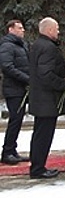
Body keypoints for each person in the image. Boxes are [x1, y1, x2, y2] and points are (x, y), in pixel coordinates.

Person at [28, 17, 65, 179]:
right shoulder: (48, 48)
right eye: (57, 28)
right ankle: (38, 168)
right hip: (47, 100)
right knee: (43, 135)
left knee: (39, 134)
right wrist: (63, 83)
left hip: (41, 98)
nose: (59, 31)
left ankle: (37, 165)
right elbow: (45, 74)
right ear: (49, 30)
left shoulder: (38, 45)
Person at [0, 20, 30, 165]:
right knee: (15, 120)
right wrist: (27, 79)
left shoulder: (22, 46)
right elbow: (7, 67)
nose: (23, 30)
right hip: (14, 89)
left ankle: (12, 149)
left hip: (22, 88)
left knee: (18, 120)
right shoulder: (7, 46)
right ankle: (7, 152)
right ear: (10, 29)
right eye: (19, 28)